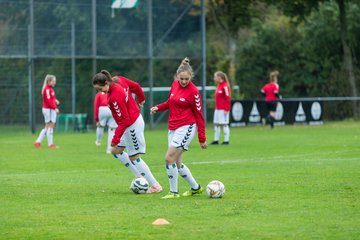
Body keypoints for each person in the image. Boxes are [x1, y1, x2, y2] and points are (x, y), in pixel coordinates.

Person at [92, 70, 162, 193]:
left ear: (107, 83)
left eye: (100, 89)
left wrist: (115, 139)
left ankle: (155, 186)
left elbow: (124, 120)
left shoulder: (114, 97)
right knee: (116, 151)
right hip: (130, 122)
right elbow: (136, 86)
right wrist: (141, 98)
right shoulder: (118, 79)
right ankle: (139, 176)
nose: (100, 92)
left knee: (134, 157)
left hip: (132, 125)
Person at [150, 57, 208, 199]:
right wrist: (158, 107)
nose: (183, 82)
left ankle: (174, 192)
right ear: (177, 76)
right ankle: (196, 188)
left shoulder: (193, 92)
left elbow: (199, 115)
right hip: (173, 127)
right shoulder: (175, 85)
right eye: (181, 79)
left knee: (168, 158)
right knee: (177, 162)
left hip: (187, 127)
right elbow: (170, 102)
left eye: (186, 79)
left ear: (190, 77)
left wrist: (202, 138)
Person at [34, 74, 60, 149]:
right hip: (48, 109)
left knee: (47, 126)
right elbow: (48, 101)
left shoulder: (49, 89)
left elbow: (50, 99)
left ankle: (38, 142)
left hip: (49, 109)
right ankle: (50, 144)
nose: (55, 82)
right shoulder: (47, 89)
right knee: (50, 125)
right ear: (48, 81)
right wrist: (55, 108)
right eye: (53, 81)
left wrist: (55, 100)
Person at [210, 71, 231, 145]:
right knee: (216, 124)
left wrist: (226, 109)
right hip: (217, 109)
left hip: (223, 109)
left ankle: (226, 140)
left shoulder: (225, 86)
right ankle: (216, 140)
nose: (214, 78)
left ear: (219, 77)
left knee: (224, 124)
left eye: (215, 77)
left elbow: (227, 98)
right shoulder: (219, 86)